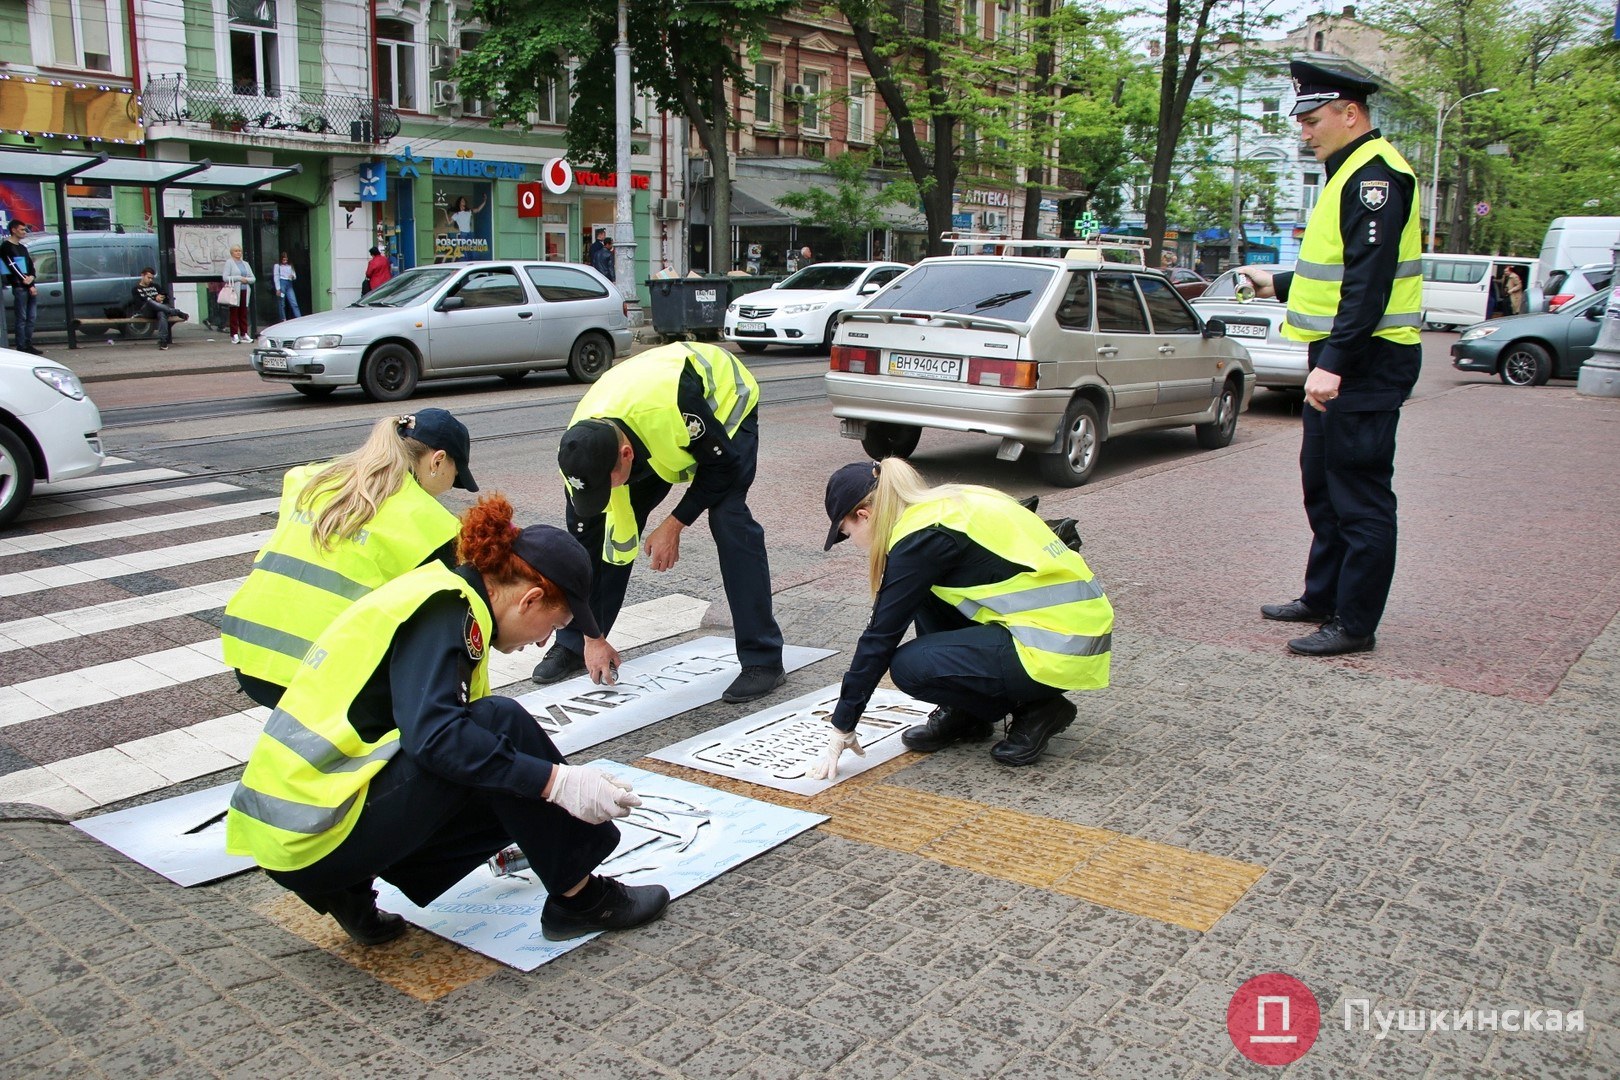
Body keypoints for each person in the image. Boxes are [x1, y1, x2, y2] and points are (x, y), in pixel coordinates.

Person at [225, 496, 670, 945]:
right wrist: (556, 784)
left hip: (292, 834)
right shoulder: (447, 610)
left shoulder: (430, 589)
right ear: (530, 599)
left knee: (499, 764)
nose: (543, 644)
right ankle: (580, 900)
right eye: (552, 627)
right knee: (500, 726)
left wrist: (534, 806)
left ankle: (348, 891)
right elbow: (436, 739)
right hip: (314, 836)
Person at [1242, 61, 1423, 657]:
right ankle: (1322, 595)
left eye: (1314, 120)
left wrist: (1336, 362)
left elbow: (1368, 286)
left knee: (1360, 495)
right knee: (1322, 485)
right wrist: (1281, 283)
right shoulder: (1346, 173)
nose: (1304, 132)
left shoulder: (1376, 178)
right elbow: (1342, 270)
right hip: (1344, 357)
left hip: (1368, 361)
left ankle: (1355, 623)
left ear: (1351, 114)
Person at [808, 460, 1113, 777]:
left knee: (910, 667)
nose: (855, 543)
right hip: (1065, 625)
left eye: (847, 532)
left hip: (1059, 645)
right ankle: (968, 714)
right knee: (922, 591)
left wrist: (842, 725)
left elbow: (879, 638)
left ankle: (1038, 708)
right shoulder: (941, 506)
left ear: (864, 515)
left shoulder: (921, 540)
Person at [537, 341, 785, 704]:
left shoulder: (676, 406)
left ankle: (763, 660)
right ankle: (575, 646)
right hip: (651, 437)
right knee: (608, 531)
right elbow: (583, 551)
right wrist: (590, 633)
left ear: (625, 457)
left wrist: (675, 523)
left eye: (608, 484)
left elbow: (723, 467)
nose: (601, 495)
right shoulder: (579, 455)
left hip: (723, 409)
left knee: (729, 520)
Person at [222, 410, 476, 710]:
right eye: (455, 475)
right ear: (437, 461)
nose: (451, 486)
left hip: (249, 654)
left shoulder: (313, 479)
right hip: (317, 675)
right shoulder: (430, 523)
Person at [127, 267, 189, 351]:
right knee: (149, 302)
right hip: (147, 311)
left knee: (161, 313)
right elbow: (139, 304)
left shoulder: (156, 286)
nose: (150, 280)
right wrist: (154, 298)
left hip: (160, 309)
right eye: (148, 278)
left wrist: (161, 298)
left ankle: (163, 341)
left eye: (152, 278)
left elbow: (166, 298)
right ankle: (176, 312)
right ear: (142, 275)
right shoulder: (136, 289)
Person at [2, 219, 40, 355]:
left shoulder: (22, 248)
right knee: (22, 317)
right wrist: (28, 281)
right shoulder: (6, 247)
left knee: (31, 317)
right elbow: (12, 266)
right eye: (22, 229)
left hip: (29, 285)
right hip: (19, 286)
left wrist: (32, 278)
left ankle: (28, 342)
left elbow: (30, 266)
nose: (24, 232)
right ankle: (22, 345)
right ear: (13, 230)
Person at [221, 244, 254, 345]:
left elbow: (253, 278)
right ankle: (234, 334)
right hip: (234, 291)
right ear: (232, 253)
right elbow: (225, 277)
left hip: (245, 290)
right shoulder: (229, 263)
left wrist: (246, 280)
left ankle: (244, 333)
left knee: (243, 312)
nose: (238, 253)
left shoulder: (246, 264)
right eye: (236, 251)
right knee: (234, 313)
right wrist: (239, 278)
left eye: (239, 251)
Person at [272, 251, 302, 321]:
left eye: (286, 260)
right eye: (283, 260)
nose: (285, 261)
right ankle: (283, 319)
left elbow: (294, 276)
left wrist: (292, 276)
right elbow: (276, 276)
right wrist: (278, 288)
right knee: (282, 303)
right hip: (282, 283)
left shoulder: (290, 265)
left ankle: (299, 319)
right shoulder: (277, 266)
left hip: (289, 283)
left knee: (294, 302)